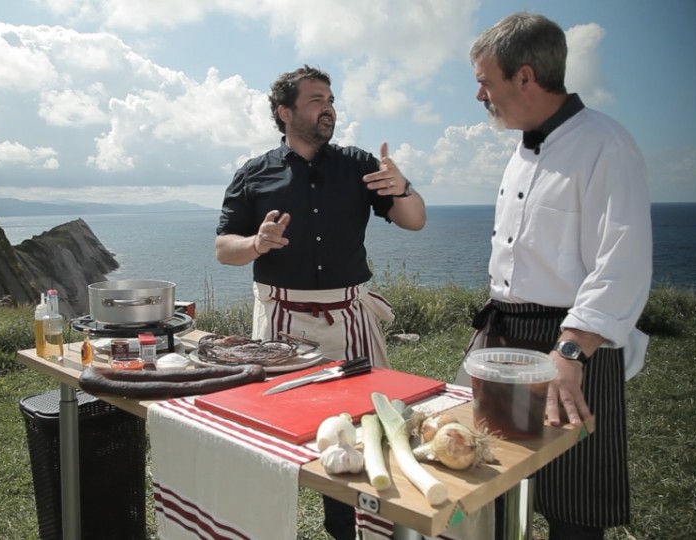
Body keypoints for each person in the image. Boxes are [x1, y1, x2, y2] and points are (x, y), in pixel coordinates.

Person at [215, 65, 426, 540]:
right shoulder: (253, 174)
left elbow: (415, 220)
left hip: (349, 317)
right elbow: (223, 248)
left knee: (366, 429)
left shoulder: (360, 164)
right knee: (280, 430)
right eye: (314, 99)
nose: (327, 107)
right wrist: (256, 244)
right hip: (279, 323)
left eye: (329, 98)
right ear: (284, 112)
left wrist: (404, 187)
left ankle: (353, 529)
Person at [468, 12, 652, 540]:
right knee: (496, 483)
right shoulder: (519, 149)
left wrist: (570, 352)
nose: (480, 96)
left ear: (524, 77)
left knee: (574, 504)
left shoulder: (606, 145)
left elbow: (623, 260)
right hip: (505, 340)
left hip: (571, 345)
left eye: (486, 81)